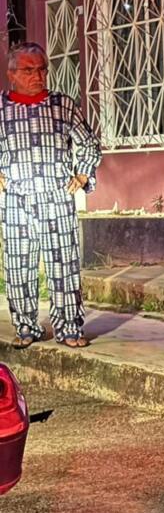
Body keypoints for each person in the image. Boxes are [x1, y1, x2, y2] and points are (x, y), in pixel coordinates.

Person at [0, 42, 101, 349]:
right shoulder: (1, 109)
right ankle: (26, 327)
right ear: (12, 74)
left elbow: (89, 143)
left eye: (42, 68)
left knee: (64, 265)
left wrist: (82, 173)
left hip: (56, 198)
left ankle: (69, 327)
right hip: (15, 200)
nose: (38, 75)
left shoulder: (63, 105)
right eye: (29, 70)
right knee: (18, 266)